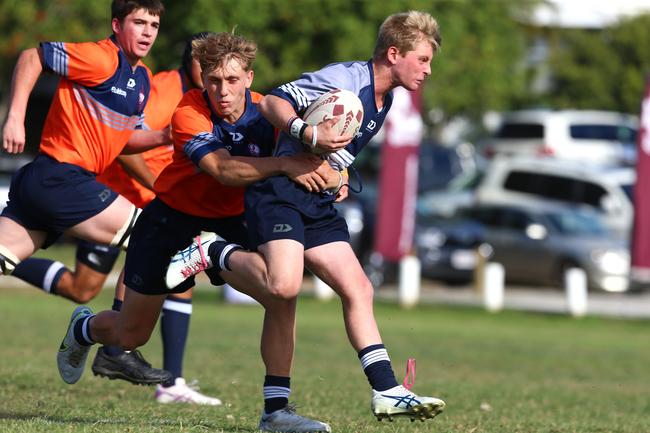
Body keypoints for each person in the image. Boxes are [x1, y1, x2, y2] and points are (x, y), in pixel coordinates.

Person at [165, 10, 446, 425]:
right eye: (422, 59)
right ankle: (212, 251)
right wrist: (307, 134)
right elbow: (274, 102)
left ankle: (384, 391)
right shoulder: (348, 80)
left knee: (358, 288)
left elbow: (338, 153)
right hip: (279, 193)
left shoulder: (386, 98)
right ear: (394, 53)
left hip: (315, 201)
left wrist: (340, 173)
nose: (427, 69)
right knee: (283, 286)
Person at [56, 31, 339, 432]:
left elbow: (306, 152)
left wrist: (333, 173)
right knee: (131, 334)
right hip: (172, 219)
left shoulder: (268, 112)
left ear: (250, 78)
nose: (223, 91)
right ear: (202, 79)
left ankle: (276, 411)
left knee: (282, 293)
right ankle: (83, 328)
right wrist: (283, 166)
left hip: (233, 222)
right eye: (214, 81)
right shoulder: (188, 111)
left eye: (233, 81)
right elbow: (222, 171)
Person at [7, 31, 222, 404]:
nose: (149, 32)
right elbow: (34, 56)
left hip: (80, 187)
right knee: (157, 241)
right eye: (209, 64)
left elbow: (126, 136)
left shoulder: (143, 79)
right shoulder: (155, 86)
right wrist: (14, 116)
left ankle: (138, 360)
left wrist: (164, 139)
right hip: (97, 192)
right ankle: (122, 353)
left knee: (82, 287)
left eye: (155, 24)